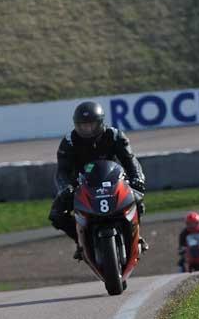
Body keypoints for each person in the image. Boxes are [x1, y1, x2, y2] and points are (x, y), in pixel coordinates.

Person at [49, 101, 147, 259]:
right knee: (56, 215)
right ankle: (81, 242)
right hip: (81, 185)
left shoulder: (115, 135)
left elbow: (131, 160)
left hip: (114, 182)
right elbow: (62, 171)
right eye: (82, 126)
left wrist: (137, 178)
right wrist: (65, 187)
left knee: (137, 200)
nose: (86, 129)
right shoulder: (69, 142)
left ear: (100, 122)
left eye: (91, 125)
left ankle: (137, 237)